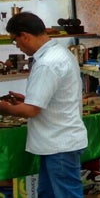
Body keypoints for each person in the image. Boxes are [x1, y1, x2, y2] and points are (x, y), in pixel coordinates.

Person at [0, 12, 88, 197]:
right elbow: (48, 99)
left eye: (15, 41)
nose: (18, 46)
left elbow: (31, 111)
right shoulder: (59, 53)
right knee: (47, 193)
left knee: (66, 194)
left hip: (59, 142)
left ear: (25, 35)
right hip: (57, 141)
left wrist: (5, 107)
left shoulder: (48, 63)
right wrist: (26, 99)